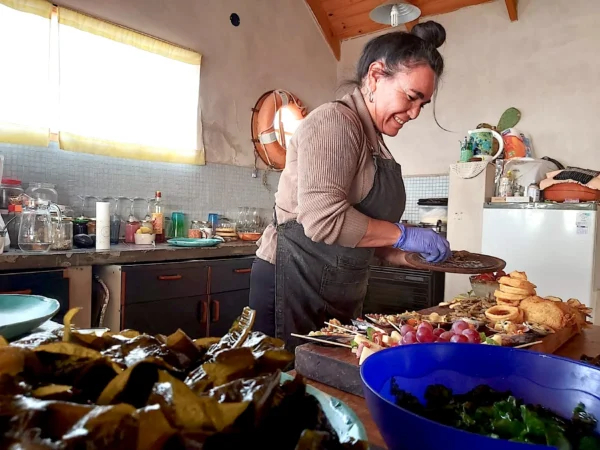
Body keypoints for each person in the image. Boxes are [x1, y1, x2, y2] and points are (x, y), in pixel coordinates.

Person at [250, 21, 451, 350]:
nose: (415, 113)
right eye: (411, 98)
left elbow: (368, 238)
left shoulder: (375, 141)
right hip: (292, 283)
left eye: (422, 105)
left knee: (329, 386)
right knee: (289, 388)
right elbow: (323, 220)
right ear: (375, 76)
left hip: (337, 289)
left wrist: (413, 255)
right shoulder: (335, 122)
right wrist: (404, 234)